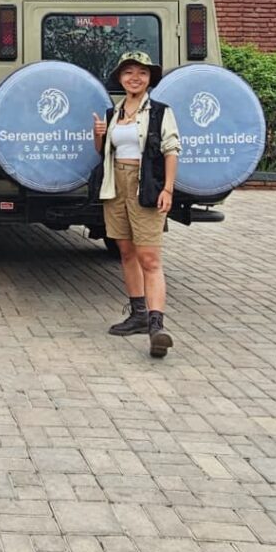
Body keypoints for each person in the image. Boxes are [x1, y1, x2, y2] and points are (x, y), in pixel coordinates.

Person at [92, 51, 181, 358]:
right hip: (115, 185)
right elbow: (105, 152)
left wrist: (168, 189)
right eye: (129, 72)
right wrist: (98, 136)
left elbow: (171, 150)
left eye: (142, 73)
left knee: (150, 257)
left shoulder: (159, 111)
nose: (135, 78)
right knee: (126, 251)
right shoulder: (113, 112)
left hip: (146, 185)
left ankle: (157, 326)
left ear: (149, 79)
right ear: (120, 78)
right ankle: (138, 313)